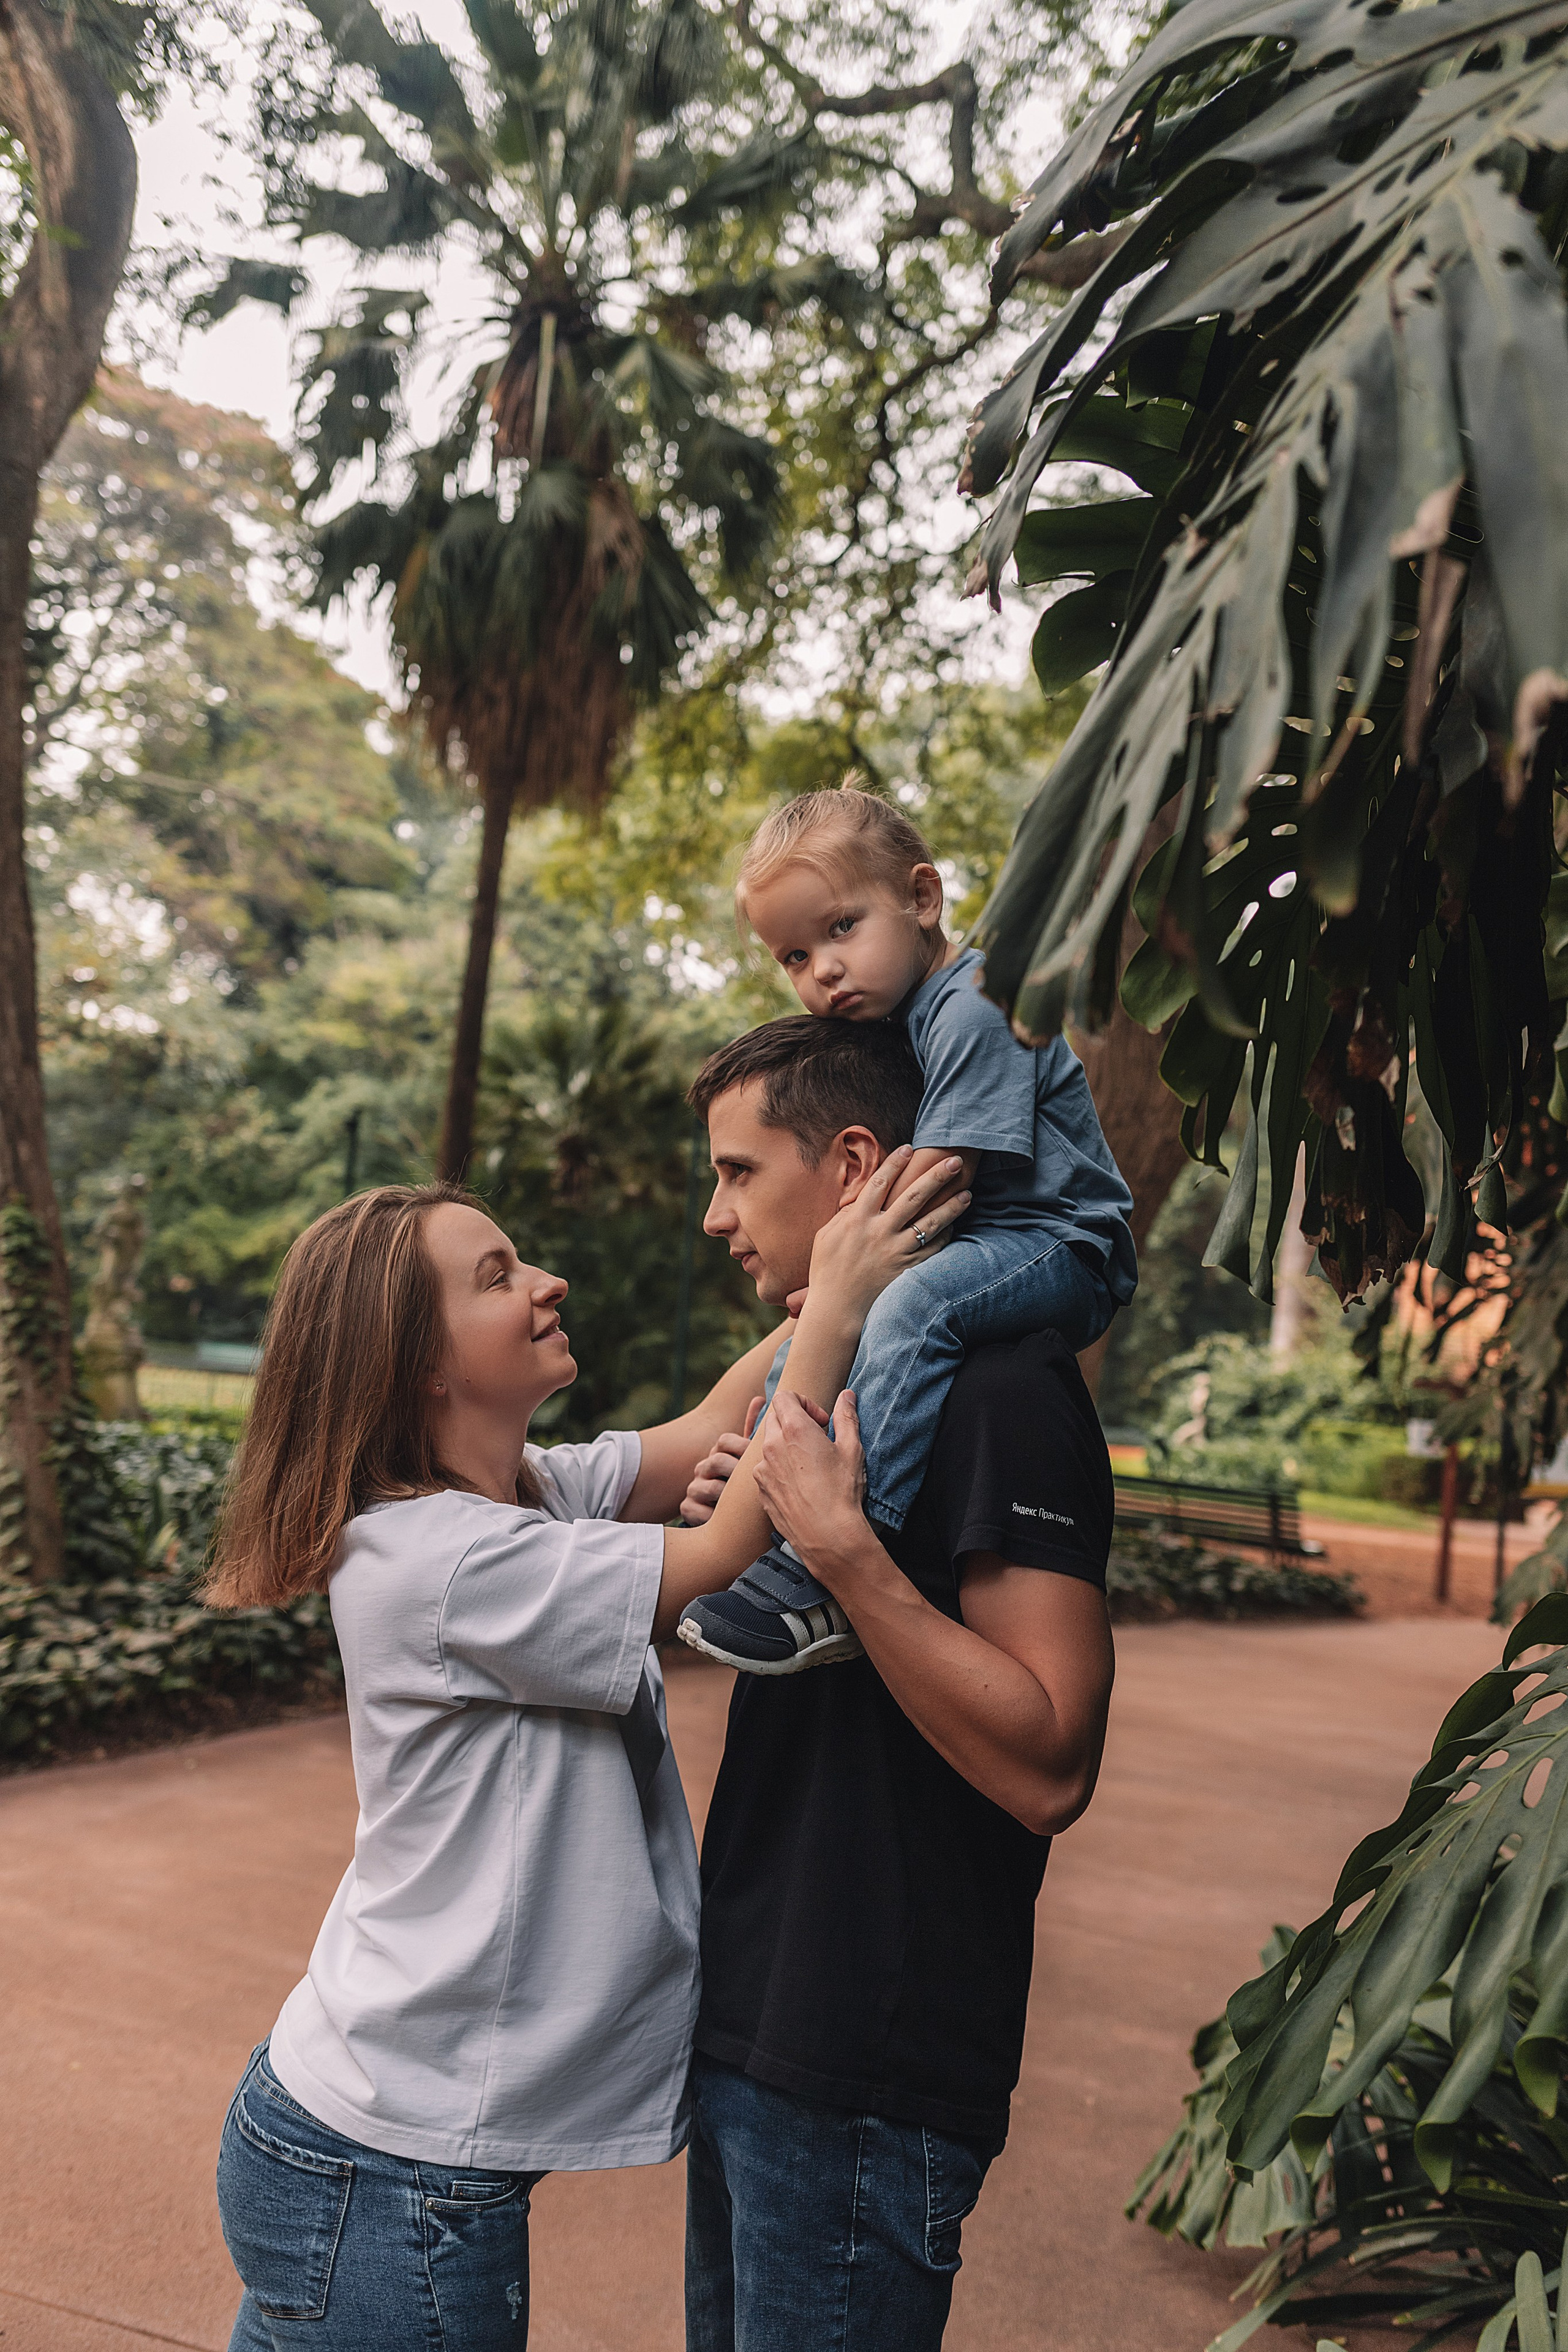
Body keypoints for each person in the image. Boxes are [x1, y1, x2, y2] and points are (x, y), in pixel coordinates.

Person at [202, 1155, 969, 2351]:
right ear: (421, 1364)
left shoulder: (528, 1496)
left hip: (364, 2158)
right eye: (497, 1276)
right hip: (390, 2180)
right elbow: (716, 1557)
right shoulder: (438, 1560)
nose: (547, 1281)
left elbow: (712, 1427)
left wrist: (841, 1286)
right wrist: (836, 1305)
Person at [675, 1016, 1117, 2351]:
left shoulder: (1002, 1388)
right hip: (750, 2019)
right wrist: (752, 1508)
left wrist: (841, 1553)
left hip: (865, 2064)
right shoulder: (840, 1375)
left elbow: (1051, 1763)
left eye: (738, 1172)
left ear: (855, 1164)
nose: (715, 1216)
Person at [677, 783, 1134, 1674]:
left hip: (1060, 1240)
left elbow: (935, 1181)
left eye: (841, 929)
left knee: (914, 1305)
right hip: (993, 1240)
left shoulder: (974, 1006)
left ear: (923, 898)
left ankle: (841, 1544)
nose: (823, 971)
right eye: (796, 955)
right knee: (810, 1340)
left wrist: (848, 1277)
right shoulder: (909, 1020)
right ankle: (765, 1500)